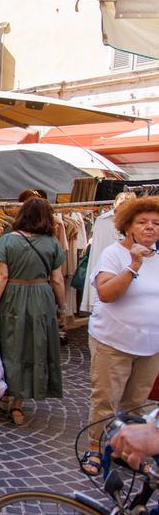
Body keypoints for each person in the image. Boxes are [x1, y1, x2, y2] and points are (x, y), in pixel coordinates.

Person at [81, 196, 159, 476]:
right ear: (128, 226)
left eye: (156, 223)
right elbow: (107, 294)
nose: (150, 227)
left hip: (150, 346)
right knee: (106, 399)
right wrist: (133, 266)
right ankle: (95, 448)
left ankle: (126, 450)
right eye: (143, 222)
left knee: (137, 402)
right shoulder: (113, 254)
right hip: (113, 342)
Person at [0, 197, 66, 426]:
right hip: (42, 297)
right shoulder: (52, 243)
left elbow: (2, 276)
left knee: (12, 346)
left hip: (13, 297)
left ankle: (7, 394)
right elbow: (58, 280)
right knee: (34, 347)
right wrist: (62, 307)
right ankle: (18, 404)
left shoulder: (8, 240)